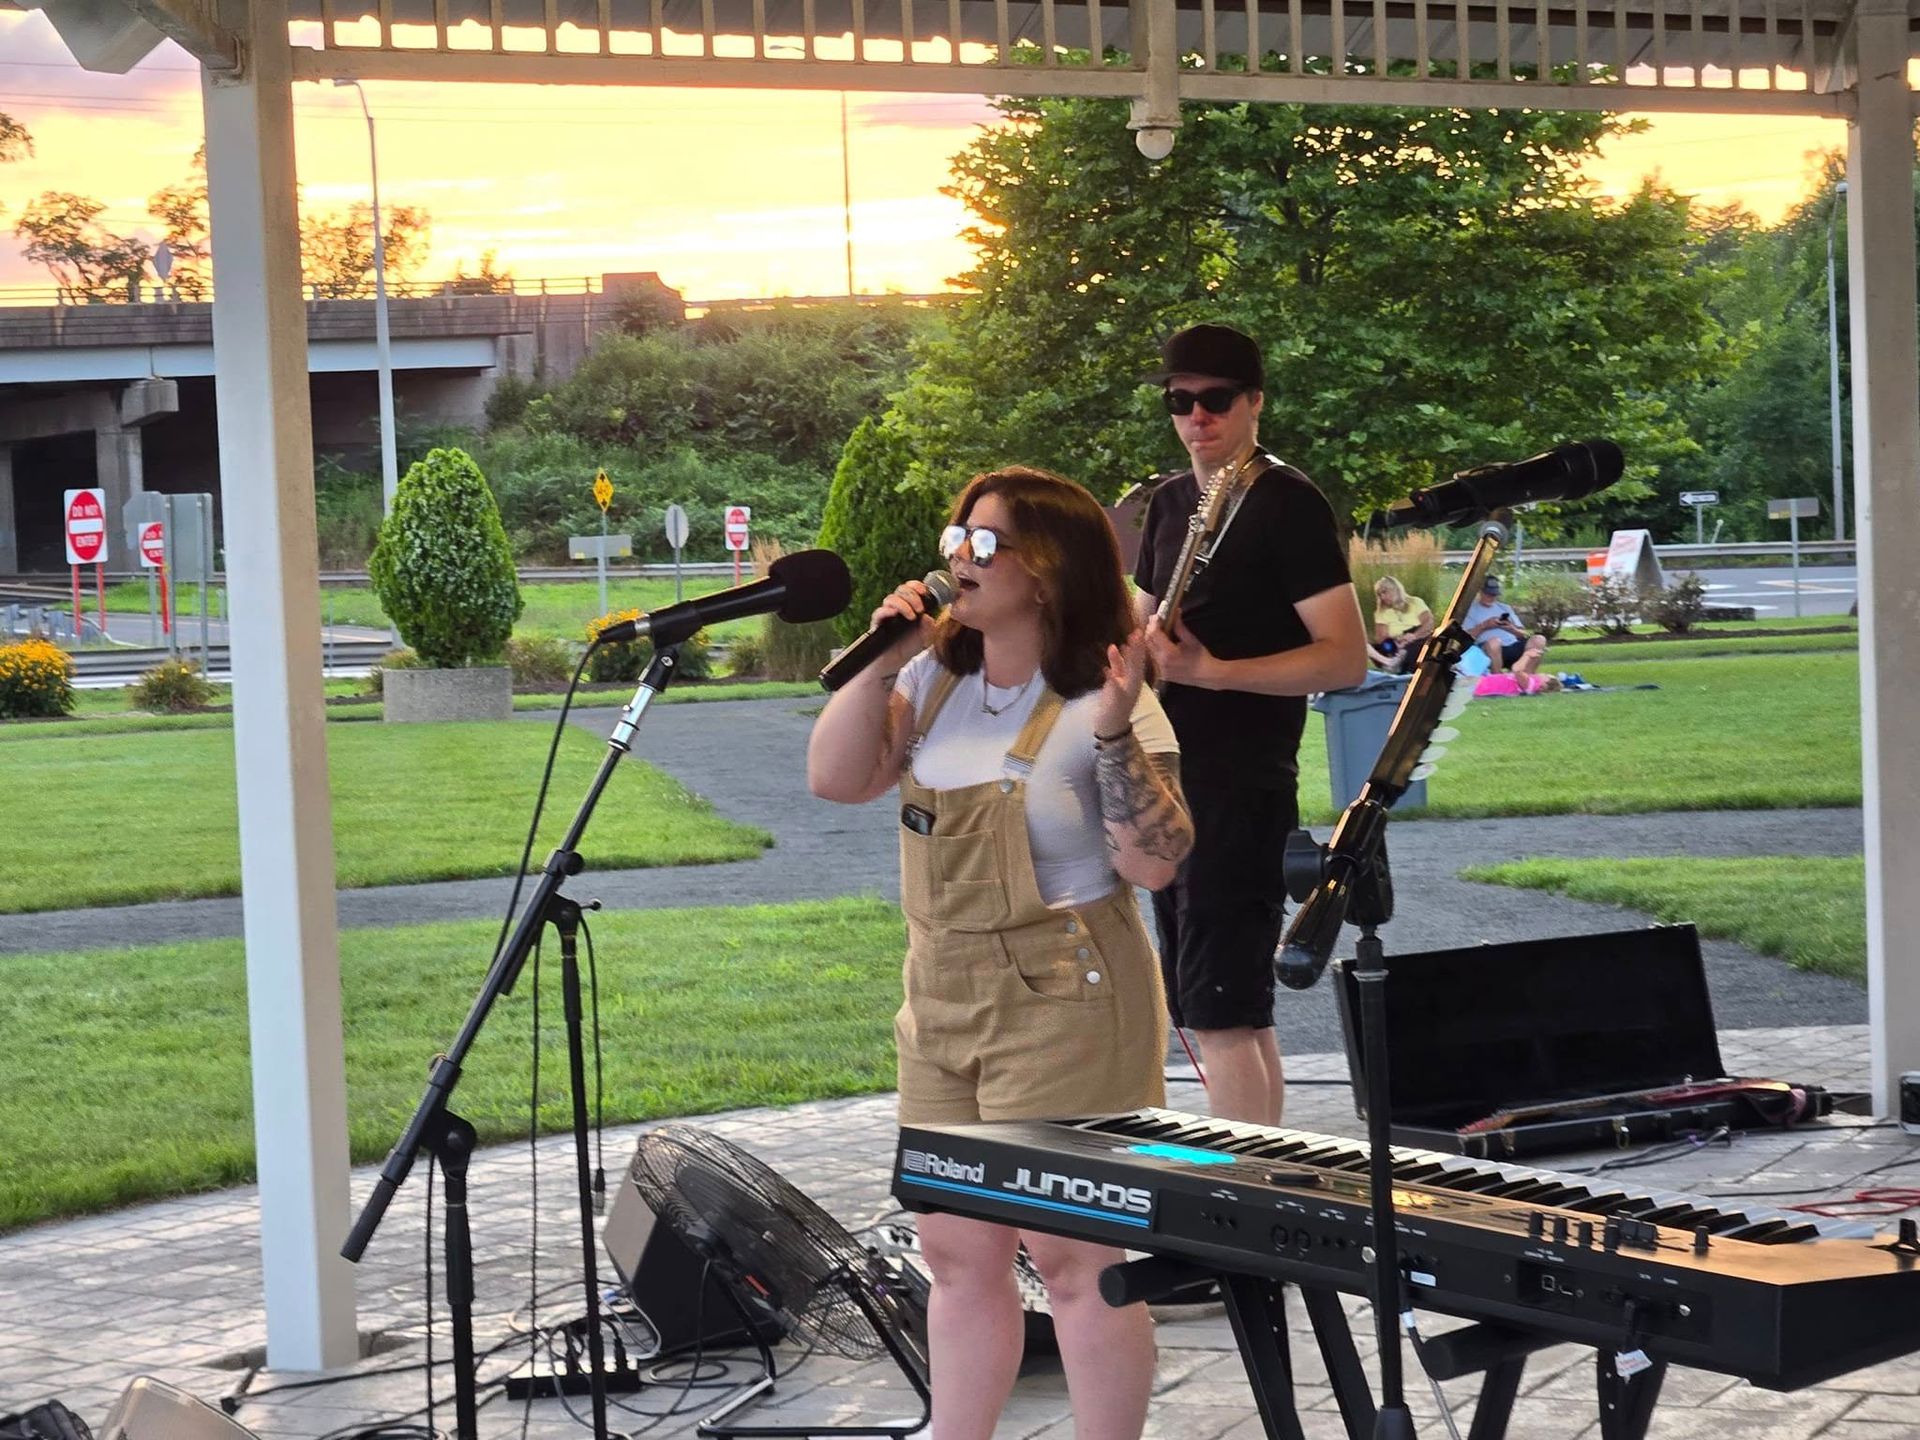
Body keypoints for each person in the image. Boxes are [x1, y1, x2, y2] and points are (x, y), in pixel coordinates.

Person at [807, 466, 1193, 1440]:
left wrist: (1111, 738)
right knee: (957, 1251)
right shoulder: (934, 681)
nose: (958, 560)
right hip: (940, 1006)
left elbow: (1156, 863)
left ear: (1049, 571)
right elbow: (836, 778)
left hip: (1067, 1003)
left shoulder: (1109, 694)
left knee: (1073, 1259)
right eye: (955, 539)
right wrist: (882, 660)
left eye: (985, 544)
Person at [1132, 323, 1369, 1127]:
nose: (1198, 417)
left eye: (1217, 400)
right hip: (1168, 776)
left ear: (1255, 402)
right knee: (1215, 1007)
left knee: (1222, 1010)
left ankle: (1243, 1201)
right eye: (1181, 401)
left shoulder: (1287, 504)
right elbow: (1136, 630)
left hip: (1240, 781)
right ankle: (1259, 1181)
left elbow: (1345, 659)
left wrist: (1215, 673)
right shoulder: (1169, 502)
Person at [1463, 574, 1547, 674]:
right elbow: (1465, 638)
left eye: (1494, 594)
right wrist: (1485, 625)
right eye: (1488, 594)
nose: (1491, 597)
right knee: (1494, 642)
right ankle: (1498, 678)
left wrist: (1511, 628)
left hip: (1512, 645)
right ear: (1480, 592)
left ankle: (1527, 678)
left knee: (1539, 640)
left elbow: (1524, 634)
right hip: (1488, 649)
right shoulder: (1471, 610)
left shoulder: (1504, 608)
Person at [1367, 575, 1434, 673]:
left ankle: (1400, 661)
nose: (1382, 597)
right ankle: (1396, 660)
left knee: (1422, 643)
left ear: (1395, 589)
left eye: (1385, 592)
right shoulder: (1381, 612)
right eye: (1379, 594)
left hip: (1417, 638)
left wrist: (1413, 636)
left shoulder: (1415, 602)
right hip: (1395, 643)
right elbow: (1381, 637)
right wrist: (1397, 641)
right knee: (1376, 647)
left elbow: (1429, 623)